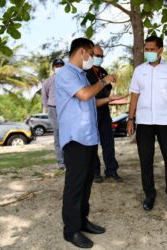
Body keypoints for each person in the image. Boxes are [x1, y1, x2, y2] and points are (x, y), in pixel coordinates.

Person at [56, 37, 118, 248]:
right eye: (91, 53)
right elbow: (84, 95)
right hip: (75, 139)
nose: (92, 58)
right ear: (82, 52)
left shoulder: (81, 75)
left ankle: (82, 221)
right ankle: (71, 231)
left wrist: (110, 99)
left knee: (86, 184)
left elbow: (90, 100)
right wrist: (104, 81)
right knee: (75, 186)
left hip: (88, 137)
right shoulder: (65, 74)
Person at [127, 35, 167, 211]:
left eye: (152, 49)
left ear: (160, 50)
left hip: (166, 120)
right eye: (147, 49)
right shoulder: (139, 70)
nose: (149, 52)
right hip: (144, 122)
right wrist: (130, 119)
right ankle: (149, 195)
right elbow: (134, 95)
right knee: (145, 160)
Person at [85, 45, 123, 183]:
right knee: (92, 143)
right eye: (97, 55)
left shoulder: (103, 72)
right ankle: (95, 172)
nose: (99, 58)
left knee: (108, 142)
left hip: (104, 111)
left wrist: (108, 96)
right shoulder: (84, 72)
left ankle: (111, 171)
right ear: (90, 55)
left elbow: (107, 90)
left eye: (101, 56)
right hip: (90, 112)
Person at [41, 58, 65, 169]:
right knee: (57, 135)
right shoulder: (48, 81)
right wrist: (49, 108)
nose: (59, 68)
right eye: (57, 66)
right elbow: (44, 97)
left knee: (68, 134)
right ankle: (61, 162)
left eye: (61, 66)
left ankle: (69, 160)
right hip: (53, 109)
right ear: (53, 68)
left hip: (66, 109)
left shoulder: (68, 80)